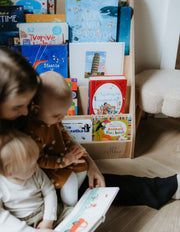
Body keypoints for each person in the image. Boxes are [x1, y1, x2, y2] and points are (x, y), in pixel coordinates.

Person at [0, 47, 180, 230]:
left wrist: (90, 165)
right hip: (25, 204)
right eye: (18, 107)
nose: (25, 111)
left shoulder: (28, 113)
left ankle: (166, 186)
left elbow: (62, 135)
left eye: (28, 104)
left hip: (47, 179)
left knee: (98, 186)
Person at [24, 72, 89, 207]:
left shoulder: (53, 118)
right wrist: (65, 160)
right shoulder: (33, 131)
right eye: (57, 115)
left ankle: (63, 196)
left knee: (83, 166)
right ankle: (69, 207)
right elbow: (40, 161)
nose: (62, 118)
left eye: (64, 113)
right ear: (36, 109)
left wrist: (72, 147)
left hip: (63, 157)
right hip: (47, 167)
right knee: (70, 180)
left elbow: (64, 133)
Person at [0, 129, 57, 232]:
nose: (37, 166)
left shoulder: (36, 172)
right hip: (17, 221)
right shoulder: (2, 184)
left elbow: (49, 192)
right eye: (31, 166)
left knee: (70, 212)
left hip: (43, 211)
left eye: (36, 161)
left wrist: (48, 220)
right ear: (10, 173)